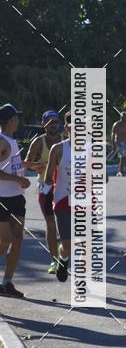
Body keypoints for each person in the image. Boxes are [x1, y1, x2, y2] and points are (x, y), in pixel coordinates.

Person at [24, 110, 63, 273]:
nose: (53, 125)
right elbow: (26, 163)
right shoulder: (38, 142)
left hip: (63, 187)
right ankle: (54, 261)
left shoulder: (65, 141)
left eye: (56, 122)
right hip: (45, 187)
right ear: (43, 125)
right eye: (50, 122)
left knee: (66, 224)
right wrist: (36, 166)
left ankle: (64, 256)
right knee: (51, 224)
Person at [0, 103, 30, 298]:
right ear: (11, 120)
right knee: (4, 240)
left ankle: (7, 283)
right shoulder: (1, 140)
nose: (19, 120)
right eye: (17, 117)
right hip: (2, 198)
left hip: (17, 198)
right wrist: (19, 179)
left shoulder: (11, 140)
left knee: (17, 239)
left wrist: (30, 165)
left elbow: (10, 164)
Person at [43, 112, 72, 283]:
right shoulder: (58, 149)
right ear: (67, 128)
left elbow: (103, 178)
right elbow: (47, 178)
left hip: (85, 202)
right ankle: (63, 259)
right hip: (63, 201)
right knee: (67, 245)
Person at [111, 111, 126, 177]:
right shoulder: (117, 124)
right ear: (121, 117)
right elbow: (113, 135)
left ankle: (119, 171)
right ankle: (121, 171)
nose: (124, 118)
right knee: (123, 156)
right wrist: (113, 144)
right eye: (123, 117)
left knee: (124, 157)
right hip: (119, 142)